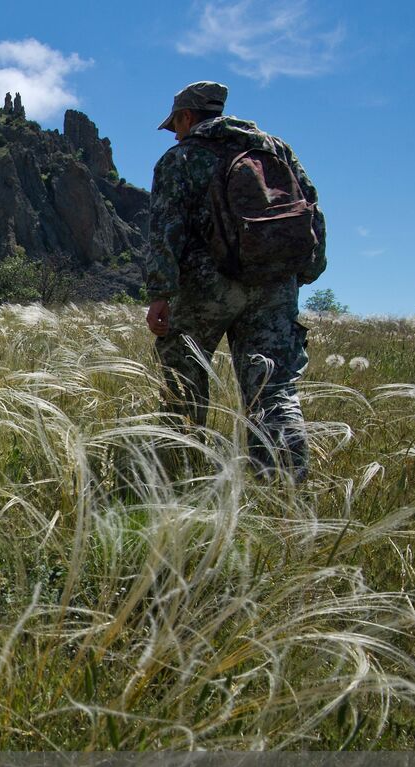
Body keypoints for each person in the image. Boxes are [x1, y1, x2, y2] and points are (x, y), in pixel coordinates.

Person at [144, 81, 326, 483]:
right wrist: (305, 273)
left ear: (187, 116)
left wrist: (160, 293)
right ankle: (285, 492)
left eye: (175, 123)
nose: (175, 132)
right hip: (275, 285)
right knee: (273, 391)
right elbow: (311, 211)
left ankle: (182, 480)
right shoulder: (276, 151)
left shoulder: (181, 158)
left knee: (184, 387)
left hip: (206, 287)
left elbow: (165, 231)